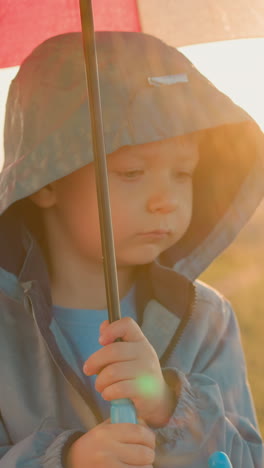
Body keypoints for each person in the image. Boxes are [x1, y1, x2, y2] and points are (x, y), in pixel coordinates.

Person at [0, 31, 263, 468]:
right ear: (46, 180)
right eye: (132, 172)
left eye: (183, 173)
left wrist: (167, 406)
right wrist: (67, 460)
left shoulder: (206, 319)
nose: (167, 200)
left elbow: (247, 460)